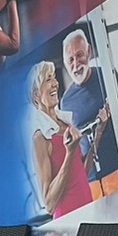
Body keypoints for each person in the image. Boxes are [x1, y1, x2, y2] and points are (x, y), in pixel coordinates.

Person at [59, 28, 118, 200]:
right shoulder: (65, 101)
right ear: (65, 63)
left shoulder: (106, 75)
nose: (75, 64)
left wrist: (114, 112)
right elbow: (74, 151)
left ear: (89, 51)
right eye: (70, 60)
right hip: (90, 182)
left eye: (79, 55)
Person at [27, 60, 93, 217]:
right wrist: (69, 154)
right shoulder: (40, 138)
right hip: (69, 219)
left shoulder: (66, 125)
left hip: (89, 207)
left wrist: (98, 135)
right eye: (48, 80)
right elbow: (49, 204)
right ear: (36, 95)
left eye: (54, 78)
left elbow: (81, 173)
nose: (55, 84)